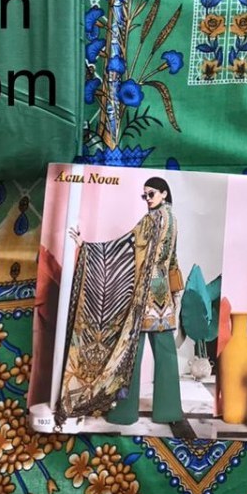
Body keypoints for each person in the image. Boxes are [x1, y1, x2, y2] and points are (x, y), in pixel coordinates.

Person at [58, 176, 184, 426]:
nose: (147, 199)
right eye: (144, 195)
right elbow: (173, 258)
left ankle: (125, 412)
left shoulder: (152, 219)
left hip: (144, 295)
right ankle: (169, 411)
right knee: (166, 354)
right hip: (163, 296)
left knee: (130, 353)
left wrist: (88, 247)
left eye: (151, 194)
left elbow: (126, 246)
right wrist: (175, 293)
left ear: (164, 194)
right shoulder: (173, 220)